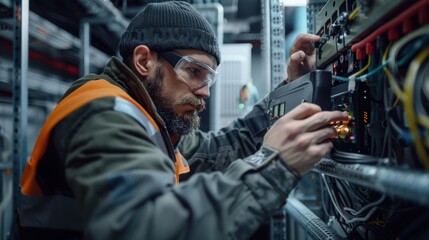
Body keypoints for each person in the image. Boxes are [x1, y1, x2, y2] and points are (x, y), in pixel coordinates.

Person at [16, 1, 347, 240]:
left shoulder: (152, 120)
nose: (204, 92)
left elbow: (222, 149)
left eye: (209, 78)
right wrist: (274, 165)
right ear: (144, 60)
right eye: (194, 71)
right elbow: (149, 227)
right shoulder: (104, 115)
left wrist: (290, 91)